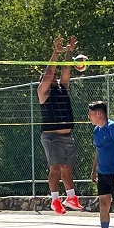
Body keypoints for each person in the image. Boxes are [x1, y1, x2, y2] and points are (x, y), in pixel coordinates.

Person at [38, 36, 83, 215]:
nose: (52, 78)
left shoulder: (62, 87)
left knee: (67, 169)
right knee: (55, 168)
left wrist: (69, 52)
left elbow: (65, 70)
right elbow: (50, 72)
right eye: (48, 78)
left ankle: (71, 197)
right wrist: (56, 52)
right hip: (51, 136)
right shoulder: (42, 91)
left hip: (66, 136)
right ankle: (55, 200)